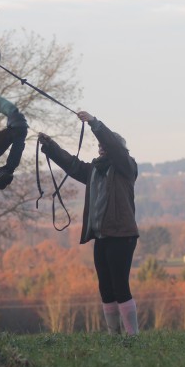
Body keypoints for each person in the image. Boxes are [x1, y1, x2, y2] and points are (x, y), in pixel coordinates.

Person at [38, 111, 139, 335]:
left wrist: (94, 124)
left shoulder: (126, 166)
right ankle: (115, 337)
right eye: (100, 146)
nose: (101, 148)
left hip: (122, 235)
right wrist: (50, 146)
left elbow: (113, 146)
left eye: (105, 145)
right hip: (102, 237)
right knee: (106, 289)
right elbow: (72, 165)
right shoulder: (94, 170)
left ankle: (133, 337)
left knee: (120, 287)